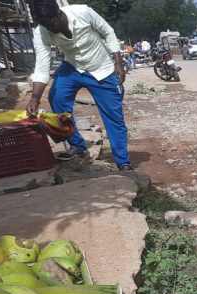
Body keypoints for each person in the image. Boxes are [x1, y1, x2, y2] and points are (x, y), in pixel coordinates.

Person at [27, 0, 133, 170]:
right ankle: (78, 145)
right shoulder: (41, 32)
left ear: (59, 13)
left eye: (51, 23)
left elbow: (108, 32)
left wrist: (118, 63)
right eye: (45, 25)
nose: (50, 28)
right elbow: (42, 65)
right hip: (73, 67)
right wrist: (35, 98)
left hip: (102, 69)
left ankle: (123, 161)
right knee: (57, 98)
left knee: (113, 116)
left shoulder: (83, 12)